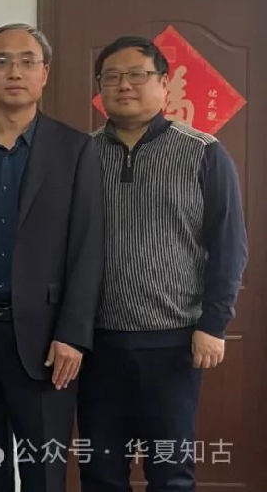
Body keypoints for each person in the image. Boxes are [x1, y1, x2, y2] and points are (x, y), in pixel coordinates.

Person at [78, 36, 248, 492]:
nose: (124, 85)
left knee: (170, 471)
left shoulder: (203, 152)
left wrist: (214, 324)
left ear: (163, 83)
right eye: (112, 77)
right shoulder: (81, 154)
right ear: (99, 88)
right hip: (96, 343)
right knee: (100, 471)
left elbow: (230, 246)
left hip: (173, 343)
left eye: (137, 75)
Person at [0, 24, 104, 492]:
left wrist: (73, 335)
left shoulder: (75, 149)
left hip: (46, 344)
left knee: (44, 474)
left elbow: (88, 248)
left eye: (27, 61)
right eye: (2, 61)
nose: (15, 72)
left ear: (45, 73)